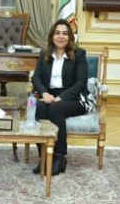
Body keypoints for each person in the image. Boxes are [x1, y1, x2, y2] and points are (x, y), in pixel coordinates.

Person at [29, 20, 89, 176]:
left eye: (65, 33)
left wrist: (61, 97)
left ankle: (59, 157)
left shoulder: (79, 54)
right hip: (50, 95)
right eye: (57, 33)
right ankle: (44, 155)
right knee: (39, 108)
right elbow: (36, 78)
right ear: (52, 36)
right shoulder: (44, 54)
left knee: (56, 108)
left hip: (75, 98)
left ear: (70, 37)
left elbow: (81, 82)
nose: (61, 36)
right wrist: (44, 94)